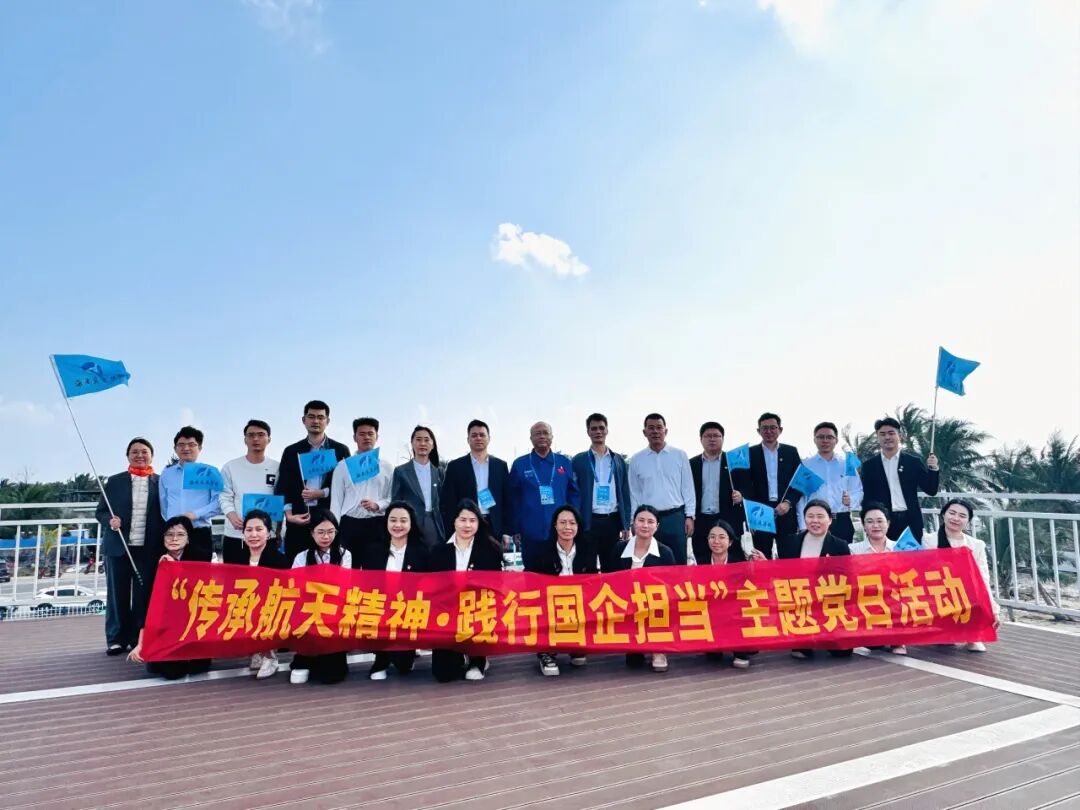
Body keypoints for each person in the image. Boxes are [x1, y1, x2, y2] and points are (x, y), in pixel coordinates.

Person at [95, 437, 163, 655]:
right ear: (127, 456)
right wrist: (110, 521)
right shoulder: (115, 481)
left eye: (144, 451)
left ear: (151, 455)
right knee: (117, 594)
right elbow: (100, 512)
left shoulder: (161, 482)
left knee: (143, 594)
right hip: (118, 547)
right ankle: (116, 638)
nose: (139, 455)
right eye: (135, 452)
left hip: (148, 548)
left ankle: (137, 638)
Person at [128, 516, 212, 679]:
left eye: (180, 534)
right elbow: (146, 604)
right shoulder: (153, 560)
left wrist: (175, 568)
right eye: (169, 534)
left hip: (192, 623)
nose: (174, 539)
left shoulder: (200, 558)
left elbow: (202, 595)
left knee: (198, 668)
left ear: (188, 538)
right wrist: (141, 643)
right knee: (171, 672)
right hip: (165, 626)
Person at [430, 499, 504, 682]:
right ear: (454, 521)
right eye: (463, 520)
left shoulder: (490, 551)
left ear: (478, 523)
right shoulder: (439, 551)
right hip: (447, 614)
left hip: (477, 611)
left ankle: (478, 659)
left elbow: (495, 587)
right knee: (443, 675)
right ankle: (459, 655)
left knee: (473, 674)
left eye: (472, 520)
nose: (467, 525)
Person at [525, 505, 597, 677]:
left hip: (578, 603)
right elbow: (531, 583)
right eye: (562, 523)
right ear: (555, 525)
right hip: (549, 604)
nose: (567, 527)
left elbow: (593, 580)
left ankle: (575, 646)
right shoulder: (541, 550)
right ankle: (546, 652)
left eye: (572, 523)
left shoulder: (587, 549)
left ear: (578, 526)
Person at [361, 501, 430, 680]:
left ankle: (407, 650)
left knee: (404, 666)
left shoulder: (422, 552)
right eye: (393, 520)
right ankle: (380, 659)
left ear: (411, 523)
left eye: (403, 521)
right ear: (386, 522)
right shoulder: (373, 550)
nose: (397, 525)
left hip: (408, 612)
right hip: (380, 609)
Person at [274, 400, 351, 560]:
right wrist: (289, 515)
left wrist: (322, 493)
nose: (316, 421)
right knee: (296, 566)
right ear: (304, 420)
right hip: (299, 519)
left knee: (329, 567)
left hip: (328, 521)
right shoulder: (291, 451)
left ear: (327, 421)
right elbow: (283, 486)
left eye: (320, 417)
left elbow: (347, 486)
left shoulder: (340, 450)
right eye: (311, 417)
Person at [777, 500, 852, 661]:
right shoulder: (792, 542)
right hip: (802, 602)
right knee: (801, 651)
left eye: (820, 516)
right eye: (810, 516)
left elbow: (848, 578)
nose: (815, 521)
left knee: (842, 652)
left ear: (829, 520)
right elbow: (782, 573)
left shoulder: (840, 545)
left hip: (830, 603)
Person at [922, 498, 1000, 651]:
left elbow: (983, 578)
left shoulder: (976, 545)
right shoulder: (927, 540)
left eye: (962, 516)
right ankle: (944, 630)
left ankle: (973, 635)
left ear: (968, 521)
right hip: (936, 592)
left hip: (964, 594)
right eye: (952, 513)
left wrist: (993, 610)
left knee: (973, 591)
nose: (956, 518)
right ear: (943, 514)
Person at [606, 505, 677, 673]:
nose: (645, 525)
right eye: (641, 520)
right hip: (627, 606)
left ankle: (659, 649)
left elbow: (672, 586)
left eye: (650, 522)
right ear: (633, 523)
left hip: (655, 608)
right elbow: (609, 581)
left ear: (657, 526)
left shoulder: (665, 553)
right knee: (633, 661)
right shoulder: (619, 548)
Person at [289, 510, 351, 685]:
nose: (326, 537)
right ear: (312, 533)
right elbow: (295, 587)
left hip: (333, 611)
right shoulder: (301, 557)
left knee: (333, 675)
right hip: (309, 611)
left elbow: (343, 586)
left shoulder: (345, 554)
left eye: (331, 532)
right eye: (321, 532)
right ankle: (303, 659)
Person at [509, 422, 580, 570]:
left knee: (559, 574)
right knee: (532, 576)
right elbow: (513, 500)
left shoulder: (564, 462)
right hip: (530, 533)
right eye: (537, 433)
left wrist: (575, 523)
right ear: (531, 438)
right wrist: (515, 528)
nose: (542, 436)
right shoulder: (520, 464)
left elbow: (574, 495)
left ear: (552, 436)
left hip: (560, 533)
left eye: (545, 433)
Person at [697, 518, 765, 668]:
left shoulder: (740, 564)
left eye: (722, 537)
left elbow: (760, 587)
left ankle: (740, 650)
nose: (716, 541)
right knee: (713, 656)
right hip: (710, 613)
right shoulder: (700, 563)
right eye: (712, 537)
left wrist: (763, 564)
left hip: (735, 614)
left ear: (730, 542)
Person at [628, 414, 695, 565]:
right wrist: (633, 520)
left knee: (678, 562)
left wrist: (690, 515)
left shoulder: (679, 455)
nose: (655, 431)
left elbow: (688, 487)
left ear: (666, 431)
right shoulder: (637, 459)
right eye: (651, 428)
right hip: (649, 520)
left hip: (675, 517)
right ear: (644, 432)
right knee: (651, 562)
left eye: (659, 427)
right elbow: (634, 493)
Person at [735, 413, 802, 559]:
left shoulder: (791, 452)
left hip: (785, 511)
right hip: (760, 513)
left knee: (789, 557)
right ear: (758, 431)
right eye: (765, 428)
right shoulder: (749, 454)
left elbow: (799, 482)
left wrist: (788, 502)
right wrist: (750, 516)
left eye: (773, 427)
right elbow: (744, 486)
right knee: (761, 556)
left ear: (780, 430)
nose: (769, 431)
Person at [860, 417, 940, 540]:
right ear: (878, 437)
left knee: (912, 552)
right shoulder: (869, 466)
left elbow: (931, 490)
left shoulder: (913, 462)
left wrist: (933, 468)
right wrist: (868, 521)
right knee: (884, 552)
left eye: (891, 433)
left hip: (910, 520)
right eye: (882, 434)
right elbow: (867, 497)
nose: (887, 437)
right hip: (883, 521)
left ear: (900, 436)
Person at [571, 413, 631, 571]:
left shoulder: (618, 460)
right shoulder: (579, 460)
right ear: (588, 432)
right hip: (588, 521)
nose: (598, 431)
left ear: (607, 430)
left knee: (612, 568)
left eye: (601, 428)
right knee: (586, 567)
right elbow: (572, 492)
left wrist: (625, 523)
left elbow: (625, 492)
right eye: (594, 428)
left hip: (612, 521)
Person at [441, 420, 513, 545]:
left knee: (492, 557)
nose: (478, 438)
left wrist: (506, 531)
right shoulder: (455, 466)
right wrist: (452, 530)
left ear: (489, 438)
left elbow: (507, 500)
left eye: (482, 435)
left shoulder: (500, 466)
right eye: (474, 435)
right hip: (465, 524)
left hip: (493, 525)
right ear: (468, 439)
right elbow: (448, 501)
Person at [330, 417, 393, 560]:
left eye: (370, 434)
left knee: (375, 569)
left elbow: (392, 497)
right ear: (354, 437)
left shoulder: (387, 467)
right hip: (349, 524)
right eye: (362, 434)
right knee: (347, 568)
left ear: (377, 436)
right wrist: (333, 528)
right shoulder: (343, 466)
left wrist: (378, 505)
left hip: (377, 524)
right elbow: (336, 501)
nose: (366, 437)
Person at [219, 420, 280, 565]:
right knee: (234, 578)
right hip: (236, 536)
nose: (256, 439)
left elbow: (281, 498)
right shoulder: (230, 467)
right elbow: (224, 496)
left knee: (268, 578)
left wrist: (278, 530)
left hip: (267, 537)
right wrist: (232, 515)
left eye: (261, 435)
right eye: (251, 435)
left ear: (269, 439)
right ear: (245, 440)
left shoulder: (277, 467)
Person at [849, 502, 905, 655]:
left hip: (894, 600)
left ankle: (899, 640)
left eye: (880, 521)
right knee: (874, 644)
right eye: (870, 521)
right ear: (864, 526)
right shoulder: (853, 550)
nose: (875, 525)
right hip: (866, 600)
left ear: (888, 523)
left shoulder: (901, 548)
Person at [158, 427, 221, 562]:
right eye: (181, 445)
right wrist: (173, 524)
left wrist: (195, 514)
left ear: (200, 448)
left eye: (191, 444)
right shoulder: (166, 474)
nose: (186, 448)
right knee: (173, 573)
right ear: (175, 449)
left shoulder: (210, 472)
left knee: (199, 573)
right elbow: (164, 504)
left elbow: (218, 502)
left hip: (199, 531)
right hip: (173, 534)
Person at [794, 422, 863, 543]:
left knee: (843, 554)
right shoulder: (806, 465)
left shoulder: (846, 464)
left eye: (829, 437)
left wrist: (851, 500)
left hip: (841, 520)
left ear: (836, 440)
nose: (825, 440)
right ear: (814, 440)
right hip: (815, 520)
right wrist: (803, 526)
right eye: (821, 437)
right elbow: (800, 498)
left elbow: (858, 490)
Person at [241, 509, 289, 679]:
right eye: (249, 530)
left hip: (272, 608)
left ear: (268, 533)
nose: (253, 534)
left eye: (259, 529)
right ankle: (256, 650)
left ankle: (270, 657)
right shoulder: (238, 559)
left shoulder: (279, 560)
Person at [689, 422, 745, 566]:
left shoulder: (734, 461)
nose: (712, 439)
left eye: (716, 436)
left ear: (723, 438)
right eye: (708, 436)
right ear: (701, 439)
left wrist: (741, 496)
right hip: (700, 519)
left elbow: (748, 486)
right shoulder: (692, 464)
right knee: (702, 557)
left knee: (731, 559)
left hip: (727, 518)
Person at [391, 425, 446, 548]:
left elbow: (444, 501)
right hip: (409, 524)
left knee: (434, 556)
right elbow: (395, 502)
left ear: (432, 445)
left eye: (427, 440)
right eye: (418, 439)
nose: (422, 443)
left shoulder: (439, 471)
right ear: (412, 443)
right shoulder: (401, 471)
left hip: (434, 524)